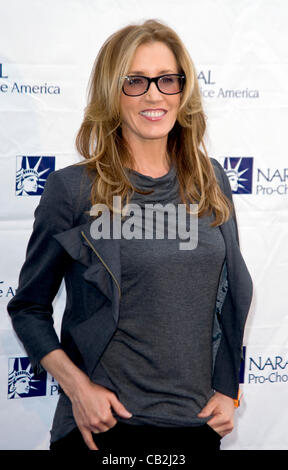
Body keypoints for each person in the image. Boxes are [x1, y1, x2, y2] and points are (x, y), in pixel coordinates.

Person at [7, 19, 253, 453]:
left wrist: (227, 386)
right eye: (135, 81)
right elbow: (28, 307)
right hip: (105, 429)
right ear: (111, 92)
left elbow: (231, 293)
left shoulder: (212, 181)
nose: (154, 94)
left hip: (197, 426)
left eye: (167, 80)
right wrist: (78, 389)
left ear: (183, 89)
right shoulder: (74, 190)